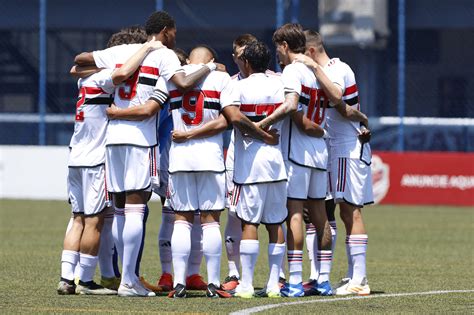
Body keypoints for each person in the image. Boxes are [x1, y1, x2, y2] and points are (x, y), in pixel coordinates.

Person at [74, 11, 222, 297]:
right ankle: (129, 280)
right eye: (174, 31)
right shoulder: (164, 54)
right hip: (141, 140)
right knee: (135, 209)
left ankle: (122, 276)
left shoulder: (122, 51)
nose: (175, 36)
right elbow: (182, 83)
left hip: (113, 138)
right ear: (166, 30)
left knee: (118, 212)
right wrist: (208, 68)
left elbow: (80, 60)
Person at [57, 32, 162, 295]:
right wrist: (146, 49)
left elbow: (74, 68)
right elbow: (120, 75)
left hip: (75, 156)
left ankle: (66, 278)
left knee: (77, 219)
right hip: (95, 159)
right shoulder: (105, 78)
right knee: (94, 221)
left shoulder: (85, 79)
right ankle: (85, 281)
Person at [296, 30, 373, 296]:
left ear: (311, 52)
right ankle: (340, 276)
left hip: (347, 147)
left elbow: (338, 98)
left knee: (351, 211)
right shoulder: (318, 70)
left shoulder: (338, 68)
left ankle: (360, 280)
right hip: (331, 149)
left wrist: (314, 68)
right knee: (332, 213)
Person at [264, 23, 333, 297]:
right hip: (319, 152)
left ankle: (294, 281)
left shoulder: (292, 70)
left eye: (277, 48)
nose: (277, 55)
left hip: (298, 153)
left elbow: (292, 107)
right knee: (320, 216)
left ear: (284, 45)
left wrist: (265, 122)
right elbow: (334, 99)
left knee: (294, 213)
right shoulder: (316, 71)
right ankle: (323, 280)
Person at [222, 34, 287, 291]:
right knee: (274, 223)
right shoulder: (280, 84)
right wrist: (267, 133)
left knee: (249, 223)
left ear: (246, 62)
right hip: (276, 163)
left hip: (249, 166)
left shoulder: (237, 86)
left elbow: (233, 117)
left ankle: (246, 285)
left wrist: (256, 132)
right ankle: (274, 285)